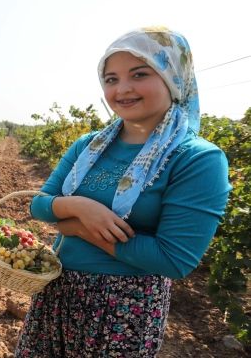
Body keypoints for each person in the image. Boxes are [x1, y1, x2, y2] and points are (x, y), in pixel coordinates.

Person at [15, 27, 230, 357]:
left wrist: (76, 228)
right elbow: (40, 205)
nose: (122, 89)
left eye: (139, 74)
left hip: (125, 307)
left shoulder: (197, 159)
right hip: (56, 291)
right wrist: (79, 206)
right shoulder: (88, 146)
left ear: (172, 78)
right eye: (111, 79)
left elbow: (174, 260)